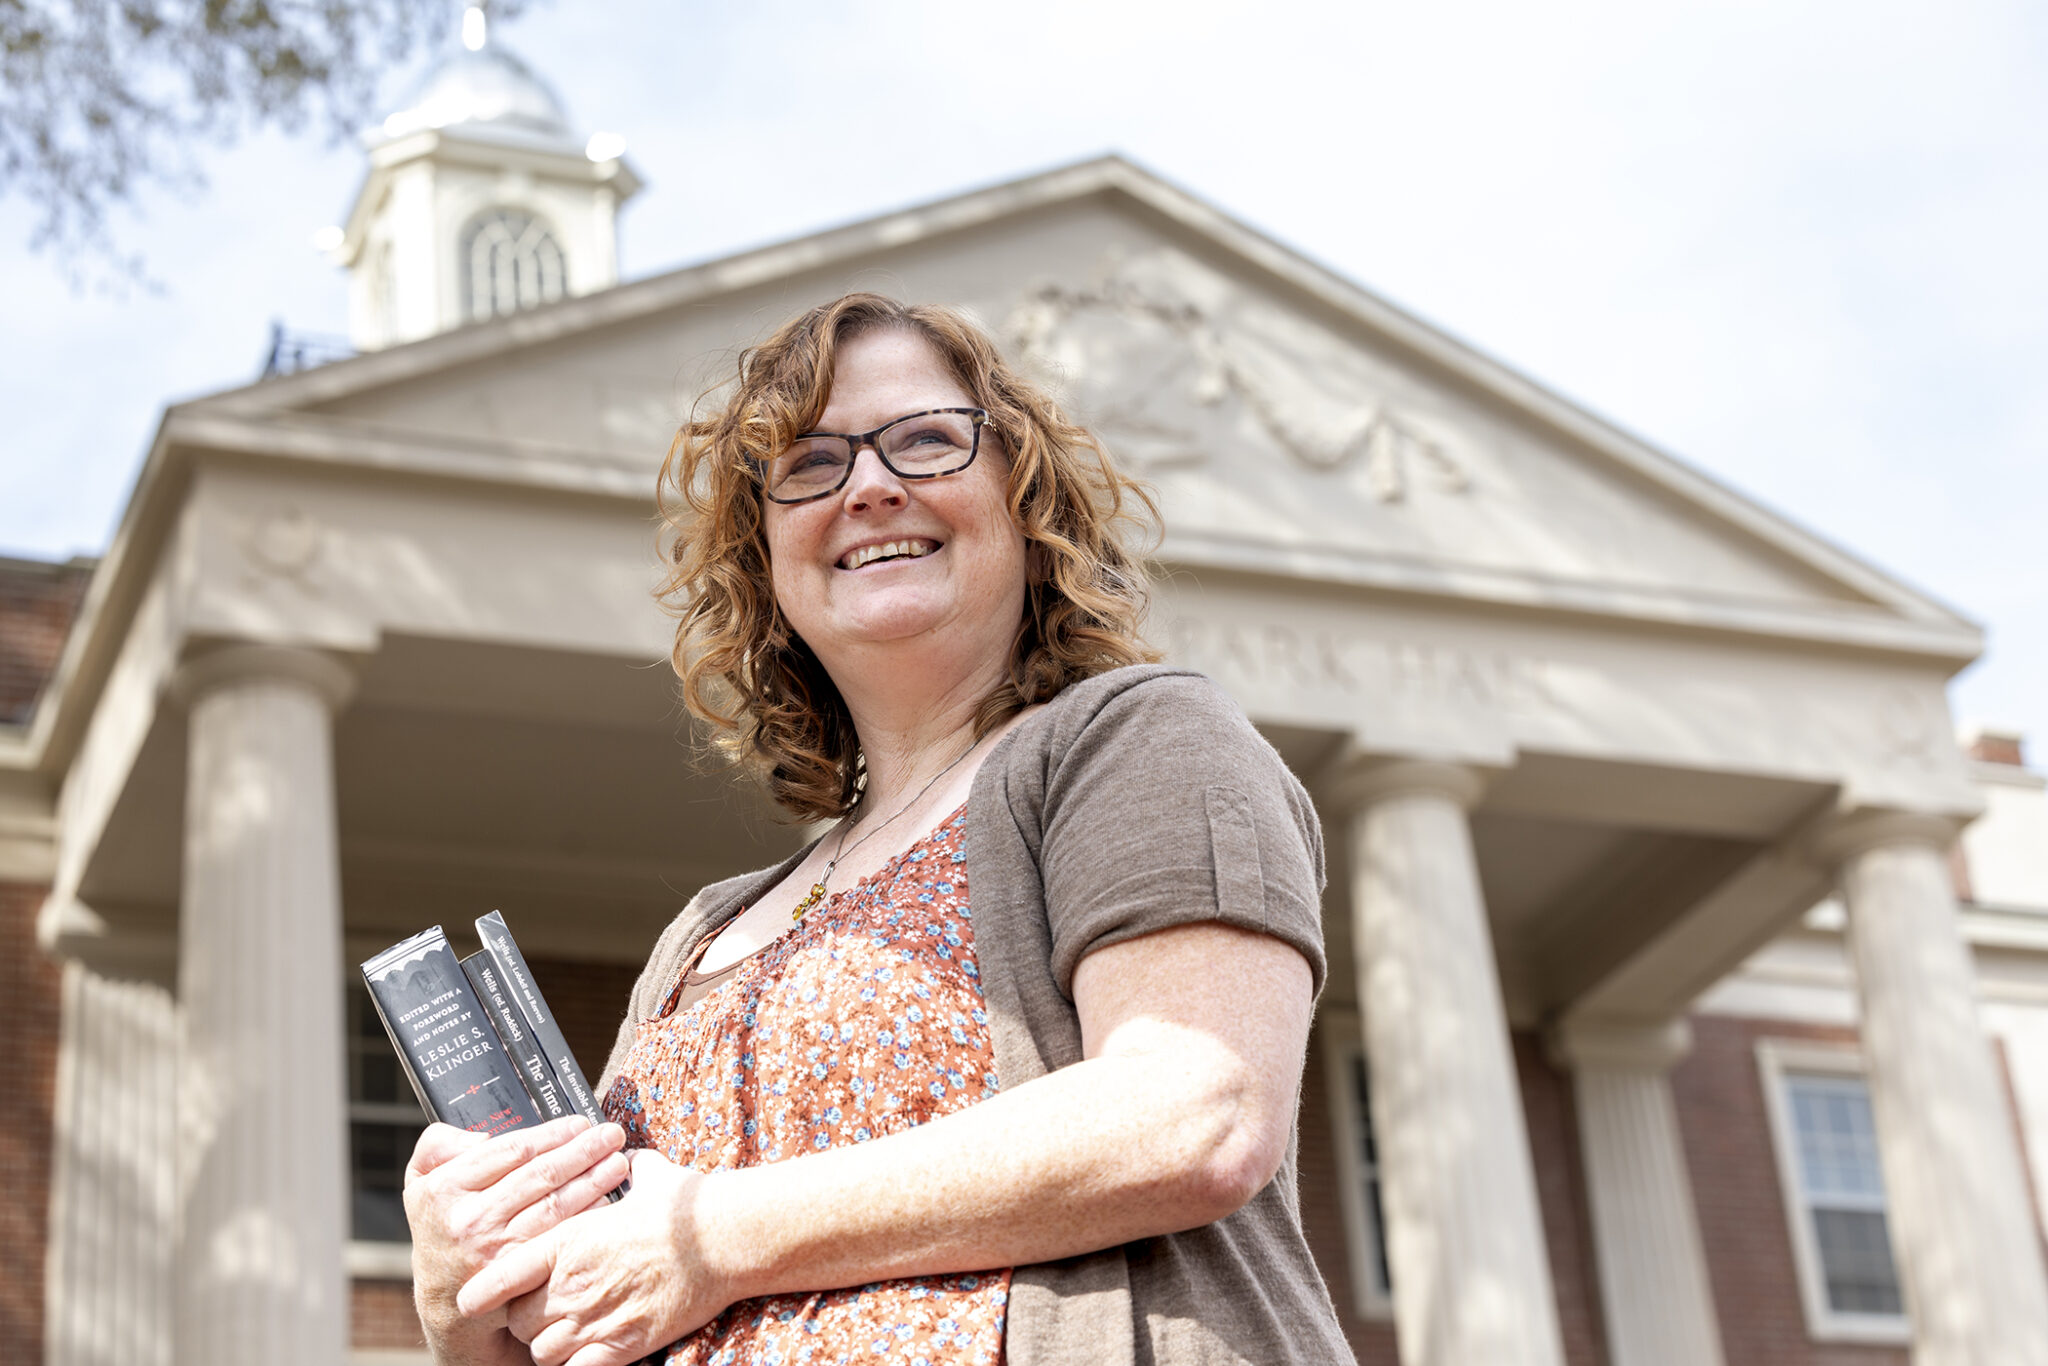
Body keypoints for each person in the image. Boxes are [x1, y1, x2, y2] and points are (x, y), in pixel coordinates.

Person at [401, 293, 1354, 1365]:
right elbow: (590, 1315)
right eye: (808, 465)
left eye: (926, 440)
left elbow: (1195, 1113)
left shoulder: (1130, 738)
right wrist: (465, 1296)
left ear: (1024, 503)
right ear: (766, 563)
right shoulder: (703, 932)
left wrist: (709, 1236)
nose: (867, 485)